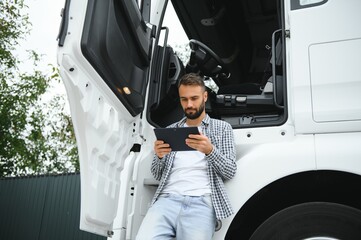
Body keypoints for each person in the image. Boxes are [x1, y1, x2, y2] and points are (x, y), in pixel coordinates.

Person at [136, 73, 237, 240]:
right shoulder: (170, 130)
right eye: (184, 99)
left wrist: (210, 151)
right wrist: (159, 156)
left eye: (194, 98)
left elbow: (230, 171)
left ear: (205, 97)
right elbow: (157, 174)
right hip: (166, 200)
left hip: (202, 203)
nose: (189, 104)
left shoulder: (222, 129)